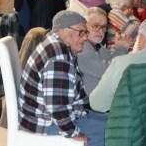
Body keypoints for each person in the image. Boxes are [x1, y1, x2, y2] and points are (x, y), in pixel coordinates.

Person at [19, 10, 106, 146]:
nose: (85, 38)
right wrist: (73, 134)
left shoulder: (57, 46)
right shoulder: (58, 56)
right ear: (63, 31)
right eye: (81, 32)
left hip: (47, 117)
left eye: (85, 33)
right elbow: (57, 106)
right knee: (108, 131)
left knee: (114, 122)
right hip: (45, 123)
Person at [76, 7, 131, 96]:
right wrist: (121, 49)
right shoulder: (81, 48)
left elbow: (111, 60)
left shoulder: (97, 46)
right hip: (90, 103)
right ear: (84, 26)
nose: (101, 31)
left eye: (104, 27)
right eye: (96, 26)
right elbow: (108, 71)